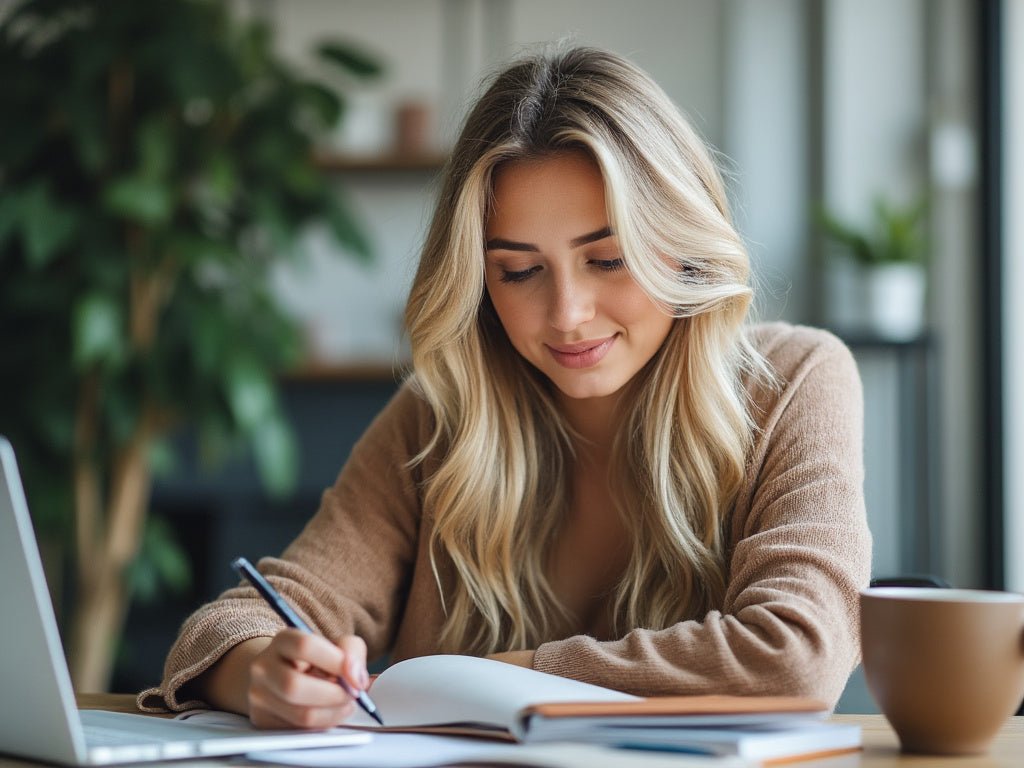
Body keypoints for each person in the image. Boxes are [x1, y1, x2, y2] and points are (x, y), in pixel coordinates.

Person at [139, 45, 871, 729]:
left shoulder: (794, 380)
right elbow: (233, 625)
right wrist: (261, 671)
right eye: (519, 271)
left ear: (682, 247)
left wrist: (488, 680)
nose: (567, 314)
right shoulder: (440, 415)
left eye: (608, 259)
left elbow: (795, 657)